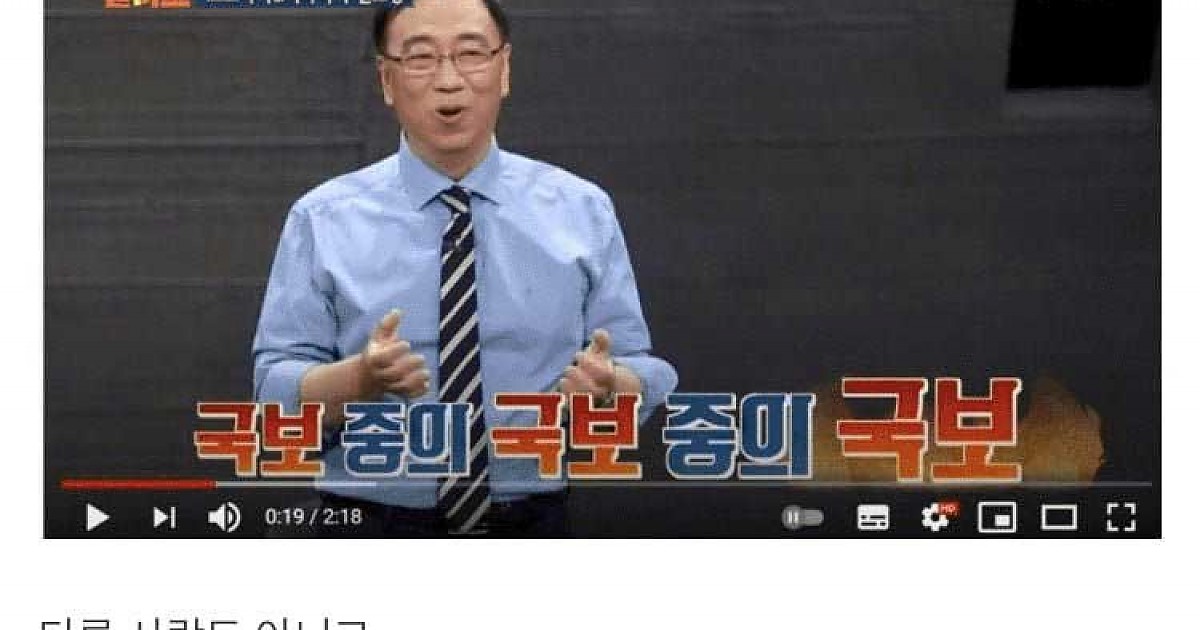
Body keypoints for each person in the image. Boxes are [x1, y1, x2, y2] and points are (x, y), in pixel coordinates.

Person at [251, 0, 677, 537]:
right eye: (420, 58)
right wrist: (360, 379)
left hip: (532, 520)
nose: (449, 81)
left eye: (471, 54)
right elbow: (273, 393)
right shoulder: (322, 218)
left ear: (504, 70)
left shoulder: (581, 210)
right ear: (387, 80)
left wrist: (609, 385)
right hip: (367, 522)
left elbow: (639, 367)